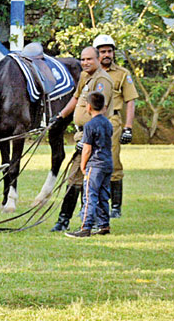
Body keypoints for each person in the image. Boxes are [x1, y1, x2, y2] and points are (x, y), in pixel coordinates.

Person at [50, 47, 113, 232]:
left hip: (92, 137)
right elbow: (76, 98)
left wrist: (88, 138)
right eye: (83, 59)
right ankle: (99, 223)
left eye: (89, 59)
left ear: (98, 59)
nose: (85, 62)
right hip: (83, 134)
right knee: (83, 181)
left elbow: (101, 110)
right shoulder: (85, 76)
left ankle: (68, 220)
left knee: (78, 179)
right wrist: (60, 116)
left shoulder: (102, 81)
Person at [94, 35, 138, 218]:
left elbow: (130, 101)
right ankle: (92, 204)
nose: (107, 55)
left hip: (112, 121)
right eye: (103, 51)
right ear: (97, 53)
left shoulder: (122, 73)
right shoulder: (90, 72)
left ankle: (115, 206)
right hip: (91, 122)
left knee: (112, 161)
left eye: (109, 51)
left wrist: (128, 127)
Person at [66, 92, 114, 238]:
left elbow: (87, 149)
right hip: (107, 163)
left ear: (88, 106)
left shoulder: (89, 125)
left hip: (95, 164)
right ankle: (104, 224)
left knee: (89, 196)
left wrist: (83, 165)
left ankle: (86, 227)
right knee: (103, 195)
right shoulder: (108, 123)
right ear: (103, 107)